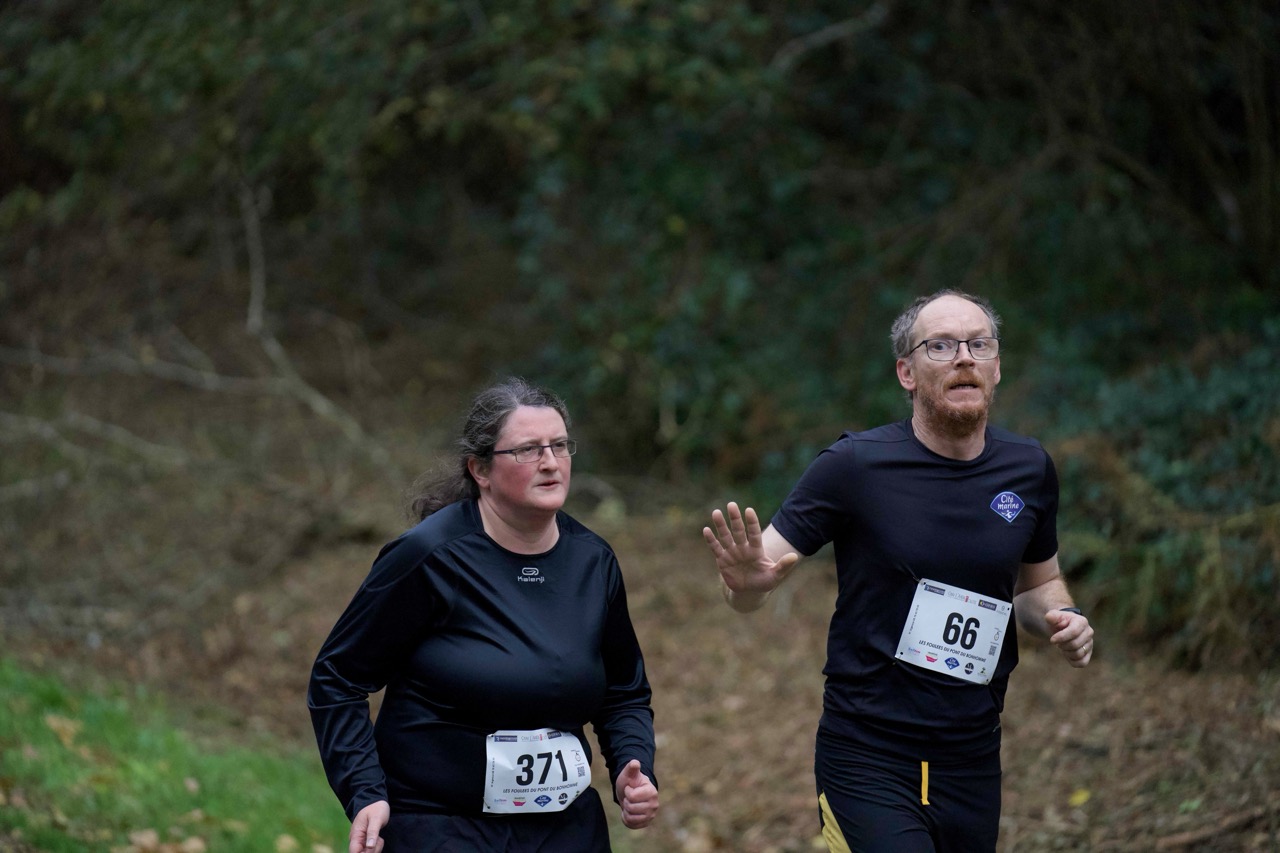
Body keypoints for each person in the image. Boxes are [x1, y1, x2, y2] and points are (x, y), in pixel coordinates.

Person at [703, 290, 1093, 853]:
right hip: (868, 755)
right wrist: (744, 587)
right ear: (906, 372)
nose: (964, 357)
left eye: (979, 344)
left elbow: (1038, 585)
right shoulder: (854, 466)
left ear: (997, 367)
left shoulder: (1028, 468)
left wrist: (1063, 615)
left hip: (973, 756)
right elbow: (755, 574)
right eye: (941, 346)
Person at [309, 377, 659, 853]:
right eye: (528, 450)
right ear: (480, 470)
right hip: (440, 825)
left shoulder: (592, 561)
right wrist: (364, 789)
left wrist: (632, 768)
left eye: (559, 445)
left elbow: (623, 691)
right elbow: (337, 677)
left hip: (563, 828)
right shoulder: (428, 557)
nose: (550, 462)